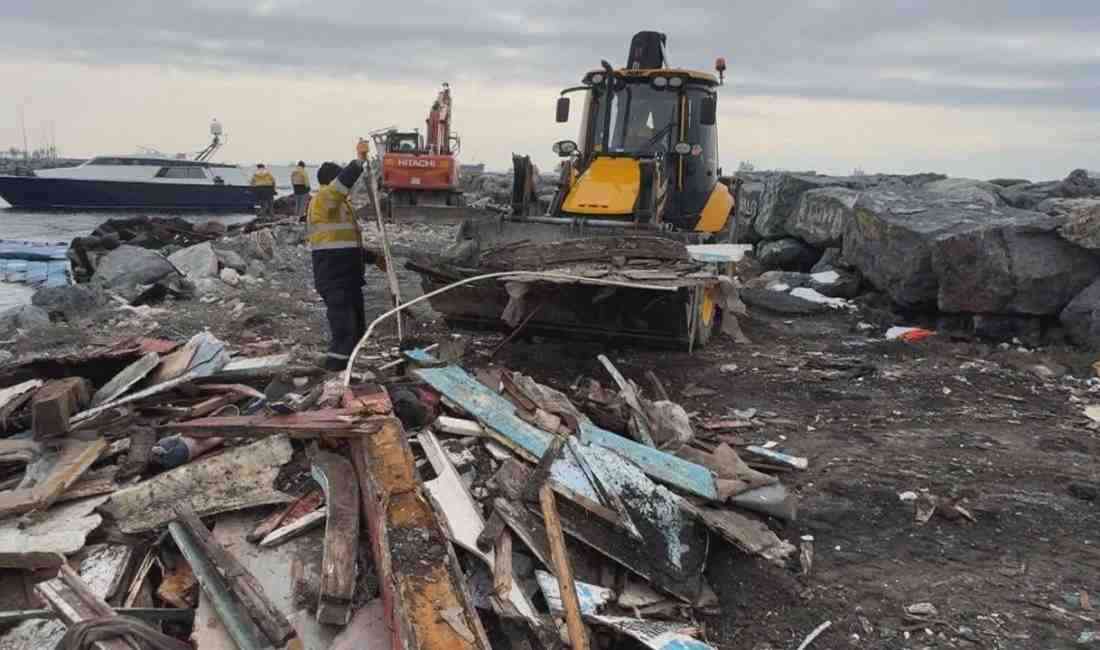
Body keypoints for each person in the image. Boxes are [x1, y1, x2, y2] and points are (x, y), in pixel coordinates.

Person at [308, 160, 386, 371]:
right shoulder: (323, 198)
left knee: (357, 329)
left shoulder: (341, 205)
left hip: (348, 277)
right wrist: (358, 162)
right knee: (344, 330)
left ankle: (348, 369)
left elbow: (345, 243)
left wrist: (372, 258)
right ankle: (334, 373)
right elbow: (340, 186)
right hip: (334, 277)